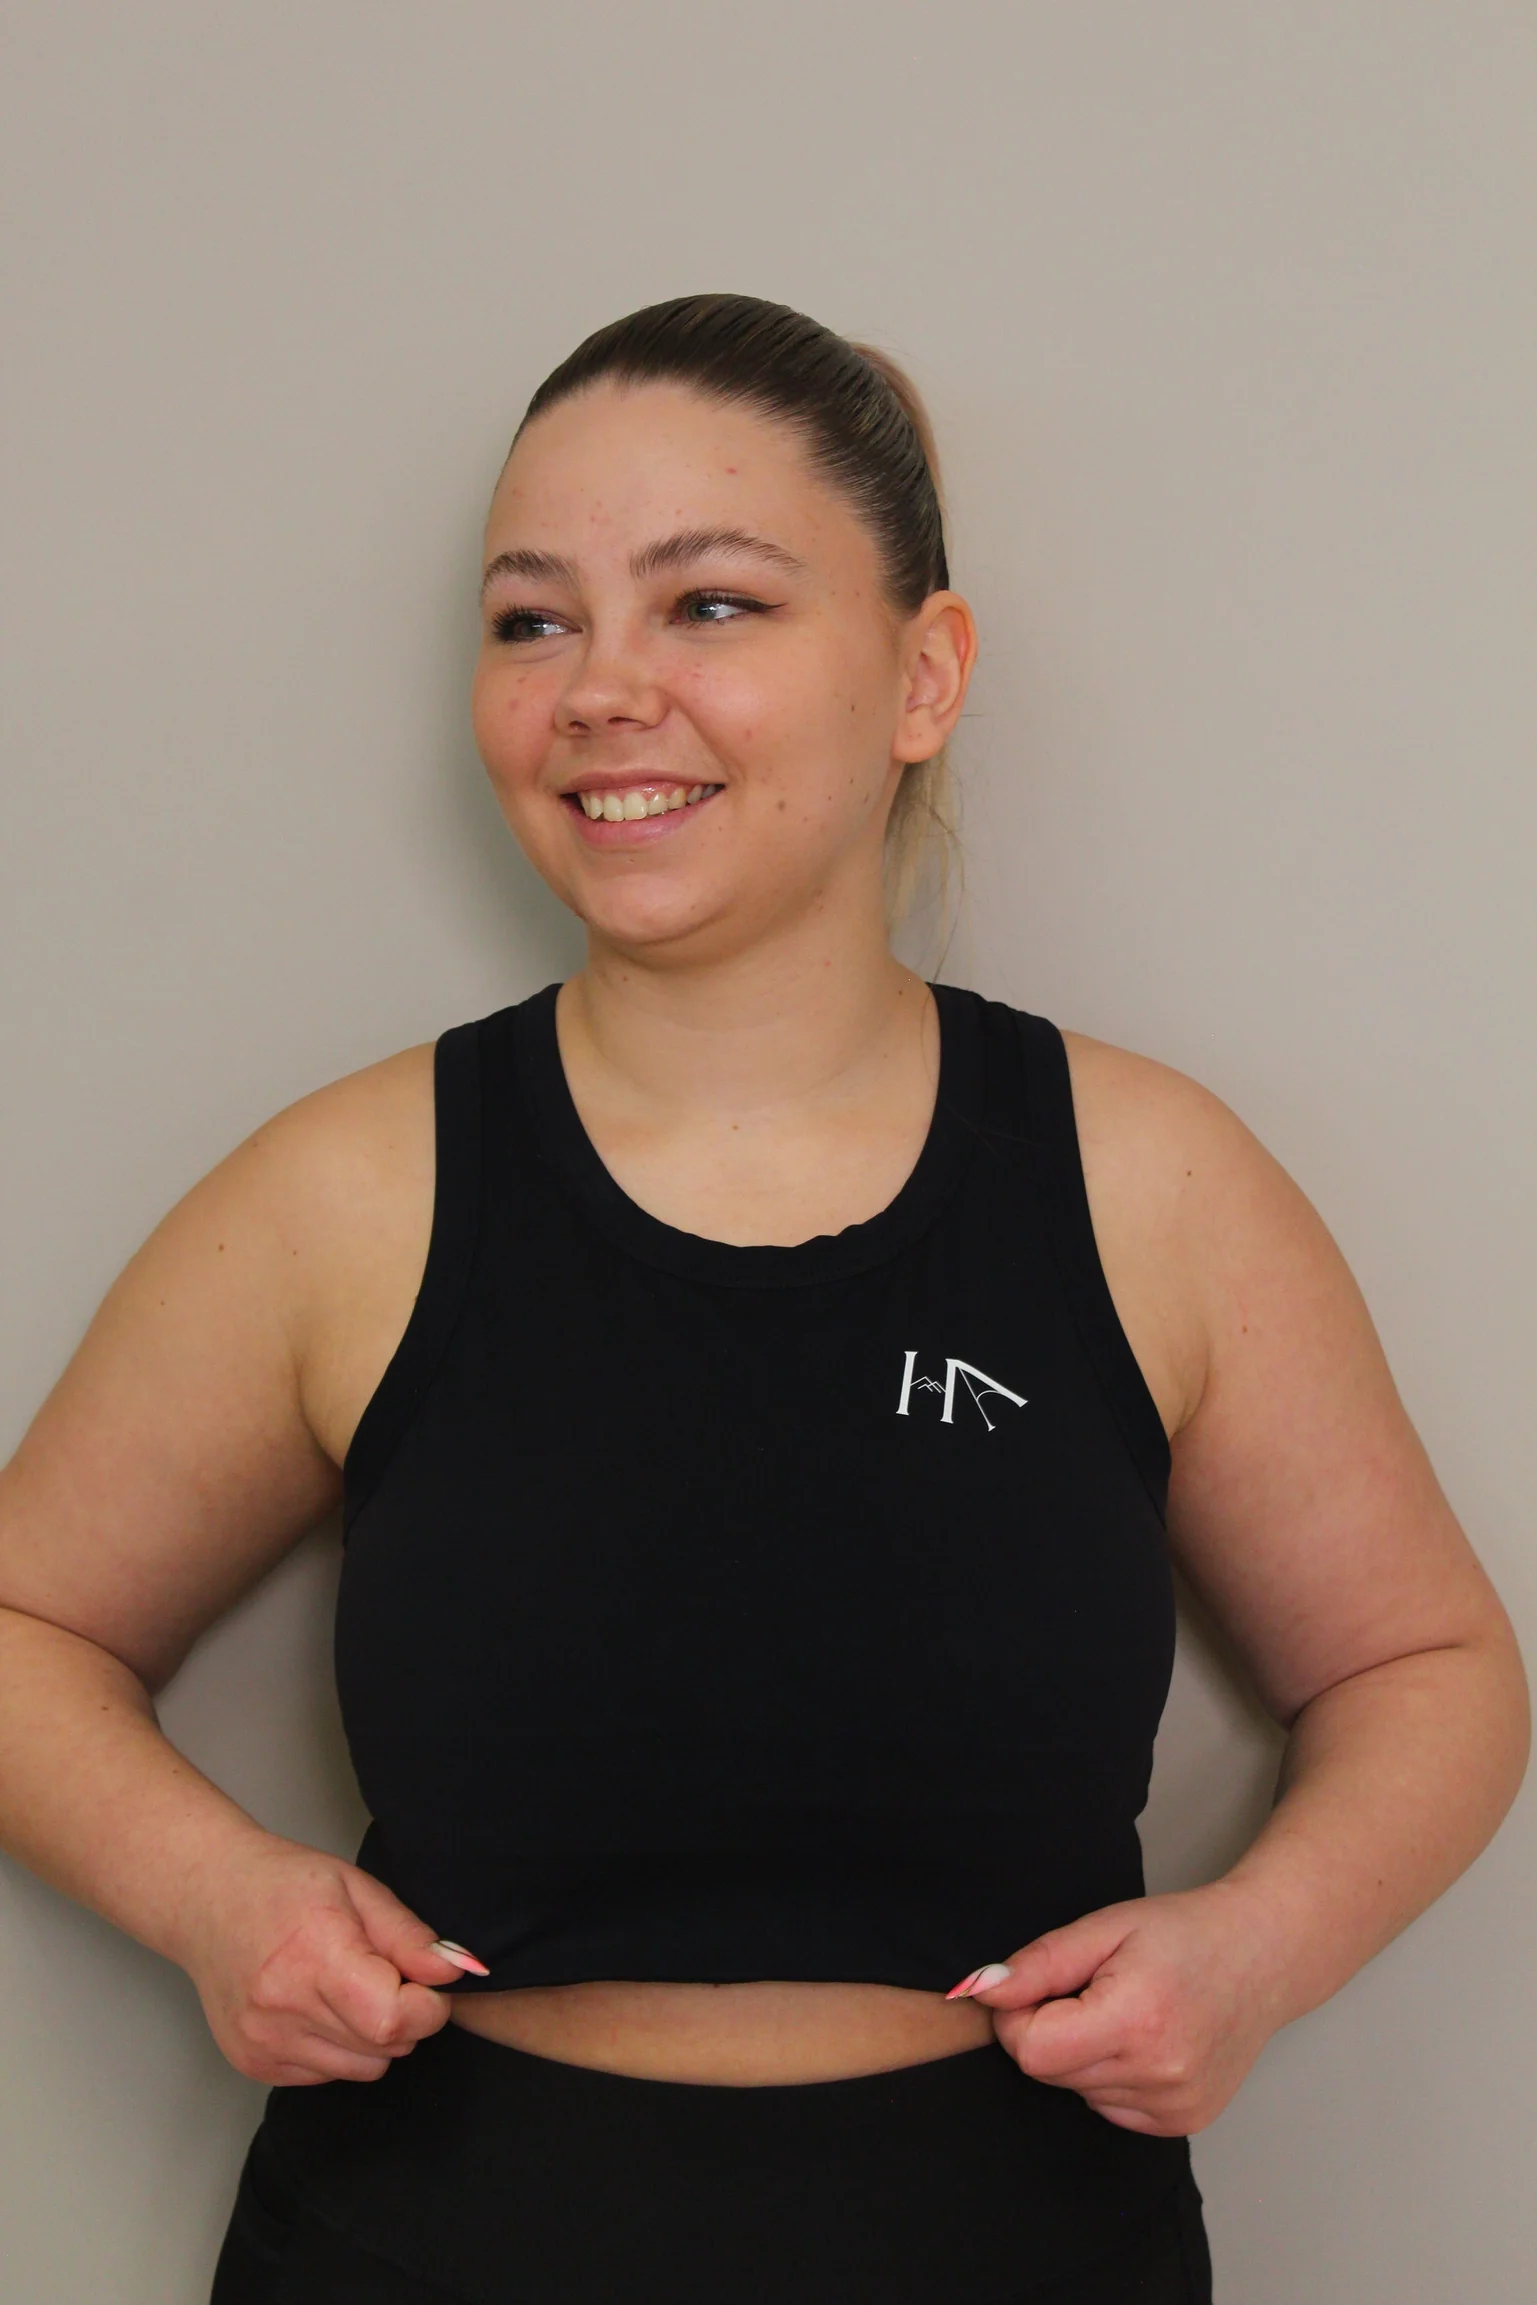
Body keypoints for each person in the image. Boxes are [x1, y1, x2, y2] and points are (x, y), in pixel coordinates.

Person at [0, 293, 1526, 2305]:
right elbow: (24, 1628)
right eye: (532, 622)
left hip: (1020, 2252)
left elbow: (1429, 1669)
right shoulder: (341, 1197)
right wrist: (213, 1901)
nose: (599, 690)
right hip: (428, 2246)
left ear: (924, 673)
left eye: (709, 604)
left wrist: (1258, 1952)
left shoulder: (1154, 1185)